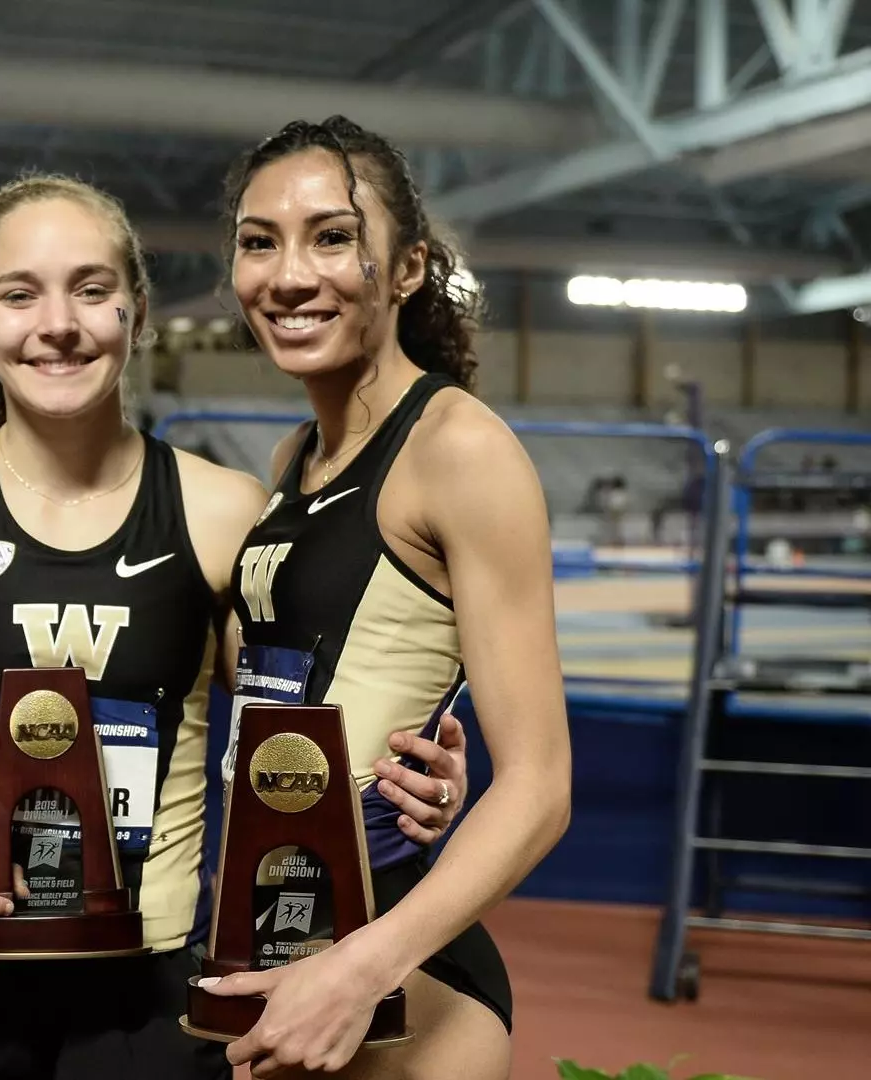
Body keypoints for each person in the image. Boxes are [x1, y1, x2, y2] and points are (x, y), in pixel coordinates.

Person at [0, 175, 470, 1080]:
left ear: (137, 312)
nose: (58, 325)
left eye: (91, 290)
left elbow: (286, 726)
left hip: (155, 989)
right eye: (19, 295)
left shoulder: (223, 511)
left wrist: (406, 776)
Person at [198, 116, 571, 1078]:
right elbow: (296, 682)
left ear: (407, 268)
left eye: (332, 237)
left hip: (393, 968)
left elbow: (540, 787)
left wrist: (359, 970)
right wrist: (407, 772)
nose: (288, 276)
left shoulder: (460, 451)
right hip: (278, 931)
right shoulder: (295, 458)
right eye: (259, 242)